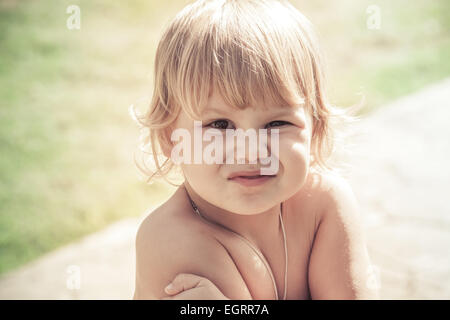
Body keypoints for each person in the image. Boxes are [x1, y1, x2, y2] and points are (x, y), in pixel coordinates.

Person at [131, 0, 379, 300]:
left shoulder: (323, 205)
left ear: (315, 129)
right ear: (171, 139)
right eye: (220, 125)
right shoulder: (169, 239)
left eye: (276, 123)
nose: (250, 152)